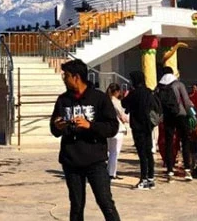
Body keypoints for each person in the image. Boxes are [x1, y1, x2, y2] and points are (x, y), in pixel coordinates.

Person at [50, 60, 120, 221]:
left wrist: (90, 126)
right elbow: (53, 129)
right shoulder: (63, 100)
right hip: (71, 161)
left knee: (105, 202)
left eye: (66, 76)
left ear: (76, 77)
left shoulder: (99, 98)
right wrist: (58, 126)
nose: (64, 79)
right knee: (76, 205)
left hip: (95, 160)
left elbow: (112, 127)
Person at [157, 67, 195, 180]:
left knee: (169, 143)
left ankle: (169, 170)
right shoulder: (178, 84)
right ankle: (187, 170)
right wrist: (193, 114)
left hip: (167, 117)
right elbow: (187, 102)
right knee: (185, 141)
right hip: (181, 115)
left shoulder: (159, 86)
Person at [122, 71, 157, 190]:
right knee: (149, 152)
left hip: (138, 126)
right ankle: (151, 178)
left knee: (142, 153)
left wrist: (126, 95)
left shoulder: (134, 93)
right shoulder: (149, 92)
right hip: (148, 125)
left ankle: (143, 179)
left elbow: (124, 103)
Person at [105, 84, 127, 181]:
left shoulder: (105, 101)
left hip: (108, 128)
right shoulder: (116, 102)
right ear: (117, 92)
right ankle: (112, 173)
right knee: (115, 152)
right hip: (117, 128)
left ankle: (108, 170)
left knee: (110, 151)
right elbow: (122, 115)